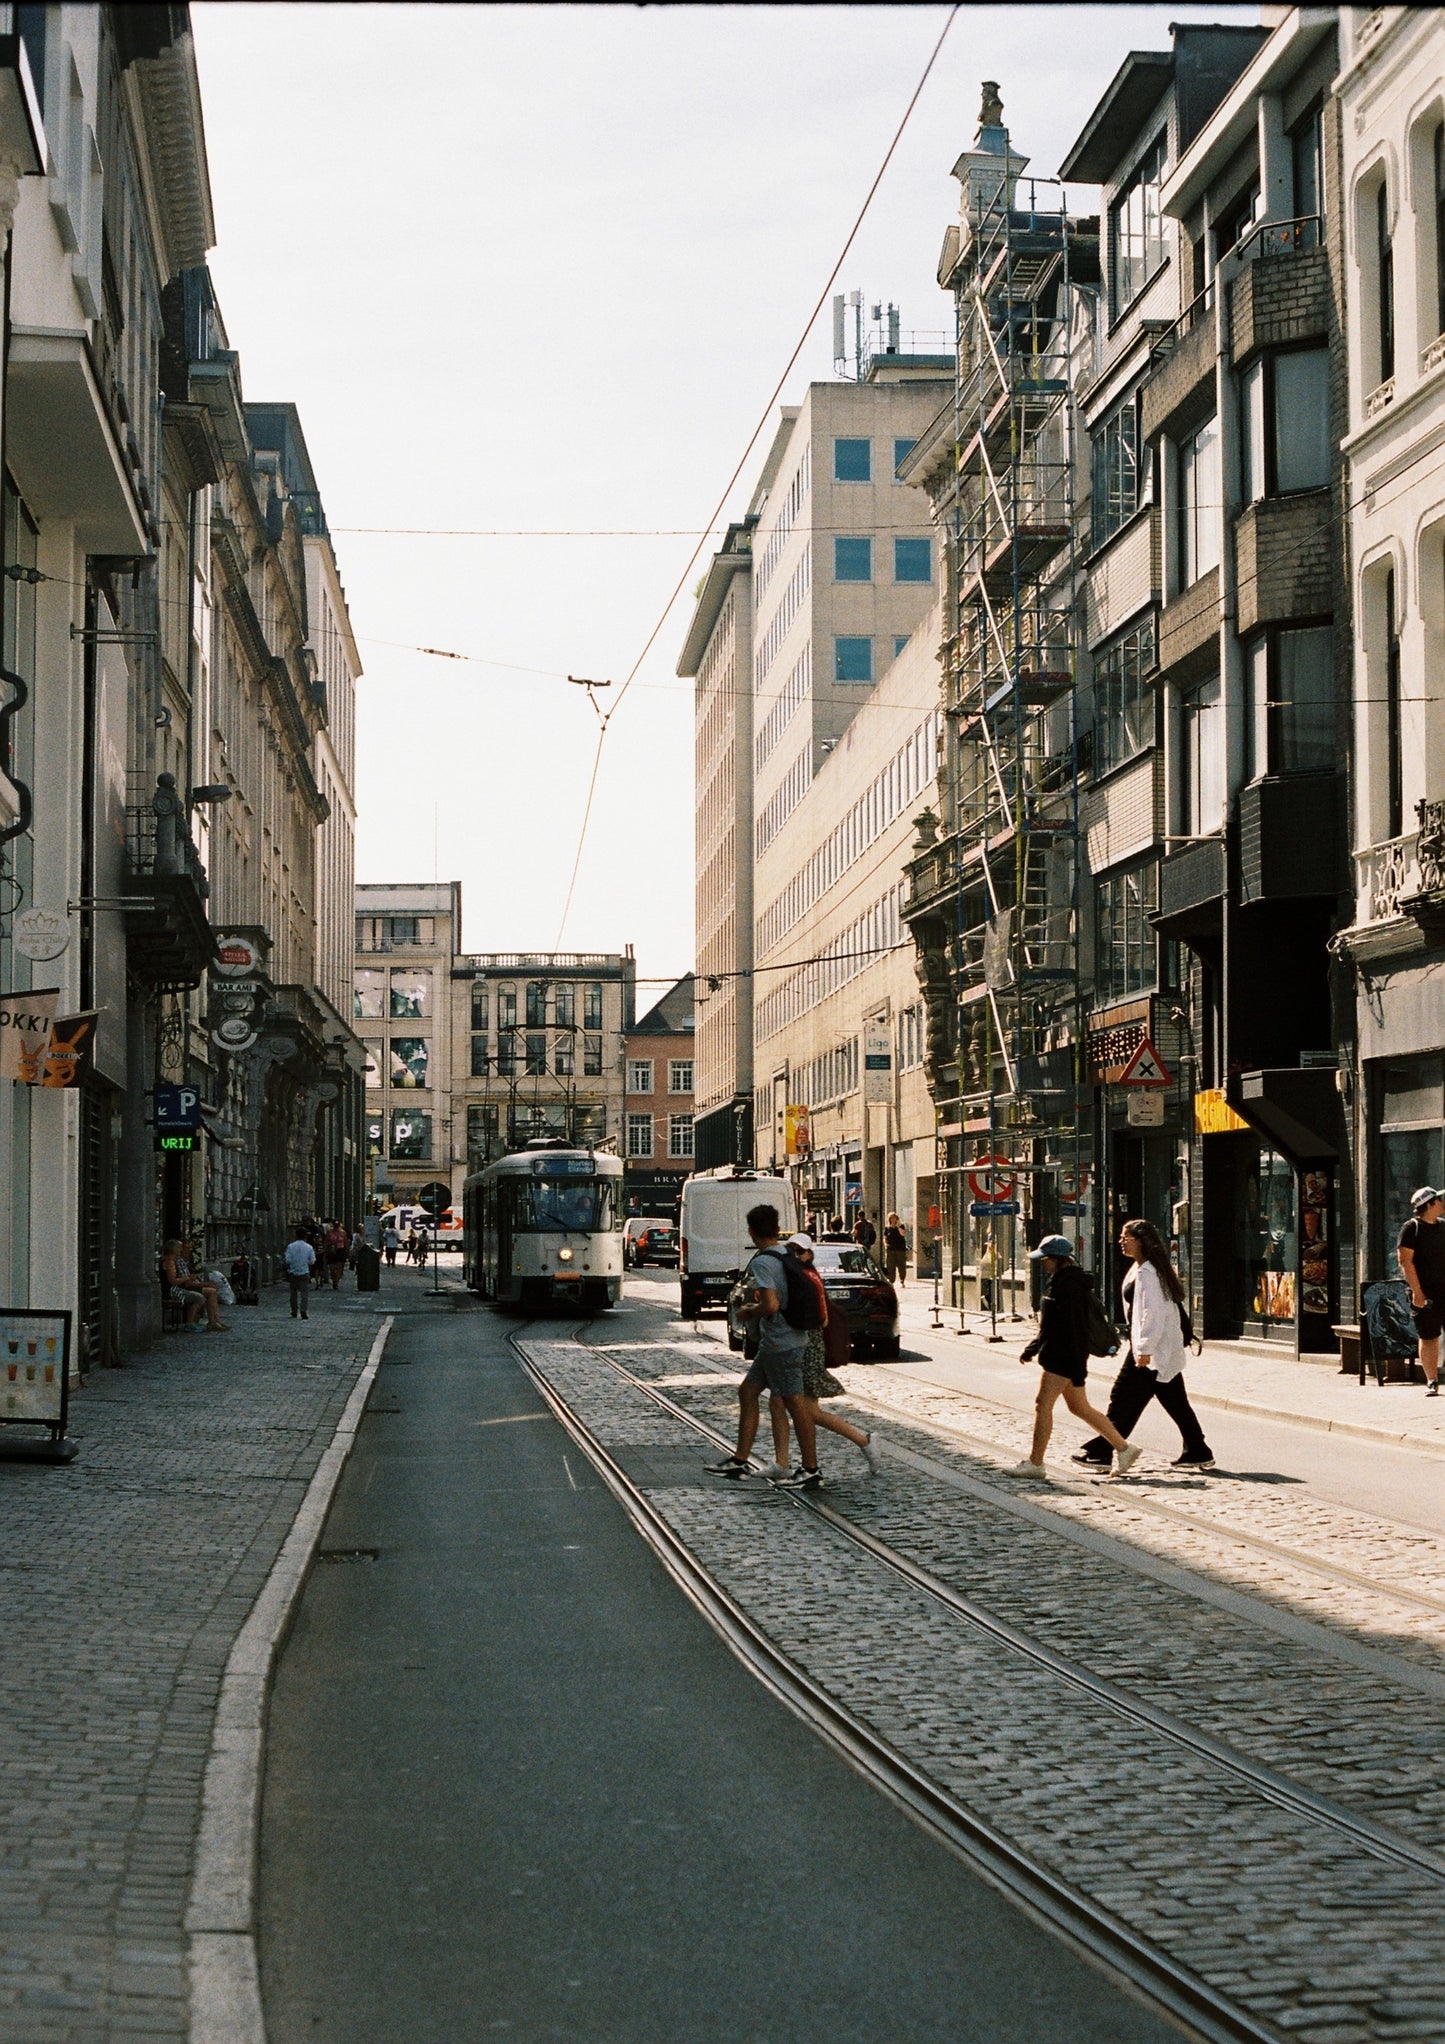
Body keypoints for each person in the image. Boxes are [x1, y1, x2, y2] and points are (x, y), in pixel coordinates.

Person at [1072, 1220, 1214, 1471]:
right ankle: (1197, 1449)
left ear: (1141, 1241)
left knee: (1123, 1397)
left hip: (1151, 1348)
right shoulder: (1142, 1269)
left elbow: (1152, 1313)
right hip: (1153, 1347)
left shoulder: (1149, 1273)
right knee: (1175, 1402)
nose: (1121, 1241)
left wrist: (1145, 1349)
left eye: (1126, 1237)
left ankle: (1103, 1450)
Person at [706, 1204, 822, 1489]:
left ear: (751, 1231)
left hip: (782, 1343)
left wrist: (749, 1312)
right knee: (748, 1391)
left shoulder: (762, 1261)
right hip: (781, 1341)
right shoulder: (784, 1253)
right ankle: (739, 1460)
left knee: (796, 1403)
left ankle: (811, 1470)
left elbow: (771, 1304)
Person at [1006, 1234, 1141, 1480]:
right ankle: (1124, 1448)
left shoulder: (1066, 1286)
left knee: (1042, 1405)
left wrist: (1036, 1349)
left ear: (1058, 1260)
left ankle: (1036, 1463)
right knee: (1080, 1408)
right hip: (1070, 1357)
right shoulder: (1067, 1282)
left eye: (1045, 1259)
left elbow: (1063, 1327)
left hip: (1063, 1357)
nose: (1043, 1264)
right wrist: (1036, 1348)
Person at [761, 1235, 881, 1478]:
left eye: (800, 1251)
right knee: (779, 1402)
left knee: (804, 1410)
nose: (796, 1255)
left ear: (809, 1254)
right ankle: (782, 1463)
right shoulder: (799, 1275)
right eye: (792, 1250)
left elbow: (820, 1318)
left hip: (806, 1346)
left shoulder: (807, 1277)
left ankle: (864, 1441)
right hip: (797, 1344)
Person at [1397, 1186, 1444, 1396]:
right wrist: (1417, 1292)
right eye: (1439, 1200)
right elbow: (1405, 1261)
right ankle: (1432, 1380)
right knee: (1429, 1336)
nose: (1443, 1203)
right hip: (1426, 1292)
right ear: (1430, 1204)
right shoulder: (1412, 1228)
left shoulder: (1443, 1227)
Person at [161, 1239, 229, 1332]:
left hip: (178, 1288)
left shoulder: (176, 1260)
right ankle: (191, 1323)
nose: (182, 1250)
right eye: (180, 1248)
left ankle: (214, 1321)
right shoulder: (171, 1262)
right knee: (199, 1297)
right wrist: (188, 1278)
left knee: (208, 1293)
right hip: (174, 1290)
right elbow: (173, 1281)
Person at [284, 1226, 316, 1319]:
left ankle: (294, 1311)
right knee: (304, 1293)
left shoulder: (291, 1246)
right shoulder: (309, 1247)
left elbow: (288, 1260)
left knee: (293, 1293)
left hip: (293, 1272)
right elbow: (312, 1261)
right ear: (305, 1236)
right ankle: (303, 1311)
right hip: (304, 1272)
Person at [882, 1213, 908, 1285]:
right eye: (891, 1218)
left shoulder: (901, 1226)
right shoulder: (887, 1228)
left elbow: (903, 1234)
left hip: (900, 1249)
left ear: (897, 1219)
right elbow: (885, 1238)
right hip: (890, 1249)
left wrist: (898, 1227)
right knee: (890, 1266)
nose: (893, 1220)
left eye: (894, 1218)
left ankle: (902, 1279)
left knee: (901, 1266)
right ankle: (891, 1281)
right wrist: (885, 1244)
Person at [324, 1220, 349, 1291]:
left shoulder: (343, 1233)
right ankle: (334, 1278)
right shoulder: (329, 1232)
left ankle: (336, 1282)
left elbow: (345, 1242)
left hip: (340, 1250)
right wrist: (325, 1250)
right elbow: (326, 1241)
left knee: (338, 1267)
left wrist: (347, 1251)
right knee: (332, 1267)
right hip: (331, 1250)